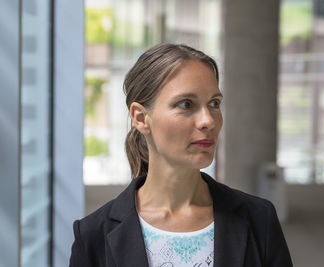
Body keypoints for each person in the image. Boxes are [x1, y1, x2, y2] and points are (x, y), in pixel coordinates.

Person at [69, 43, 292, 267]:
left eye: (214, 103)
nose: (208, 121)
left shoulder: (259, 220)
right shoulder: (92, 236)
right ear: (140, 118)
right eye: (186, 104)